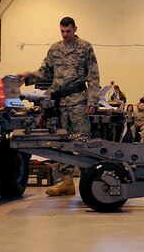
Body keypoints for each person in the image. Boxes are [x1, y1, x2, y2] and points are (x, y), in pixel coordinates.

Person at [18, 16, 100, 196]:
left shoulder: (85, 47)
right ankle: (67, 182)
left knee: (81, 141)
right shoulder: (55, 49)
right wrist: (28, 76)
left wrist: (92, 101)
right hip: (59, 102)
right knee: (62, 142)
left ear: (75, 29)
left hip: (79, 100)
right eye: (62, 31)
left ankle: (89, 183)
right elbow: (44, 71)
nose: (65, 35)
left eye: (68, 31)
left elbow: (93, 76)